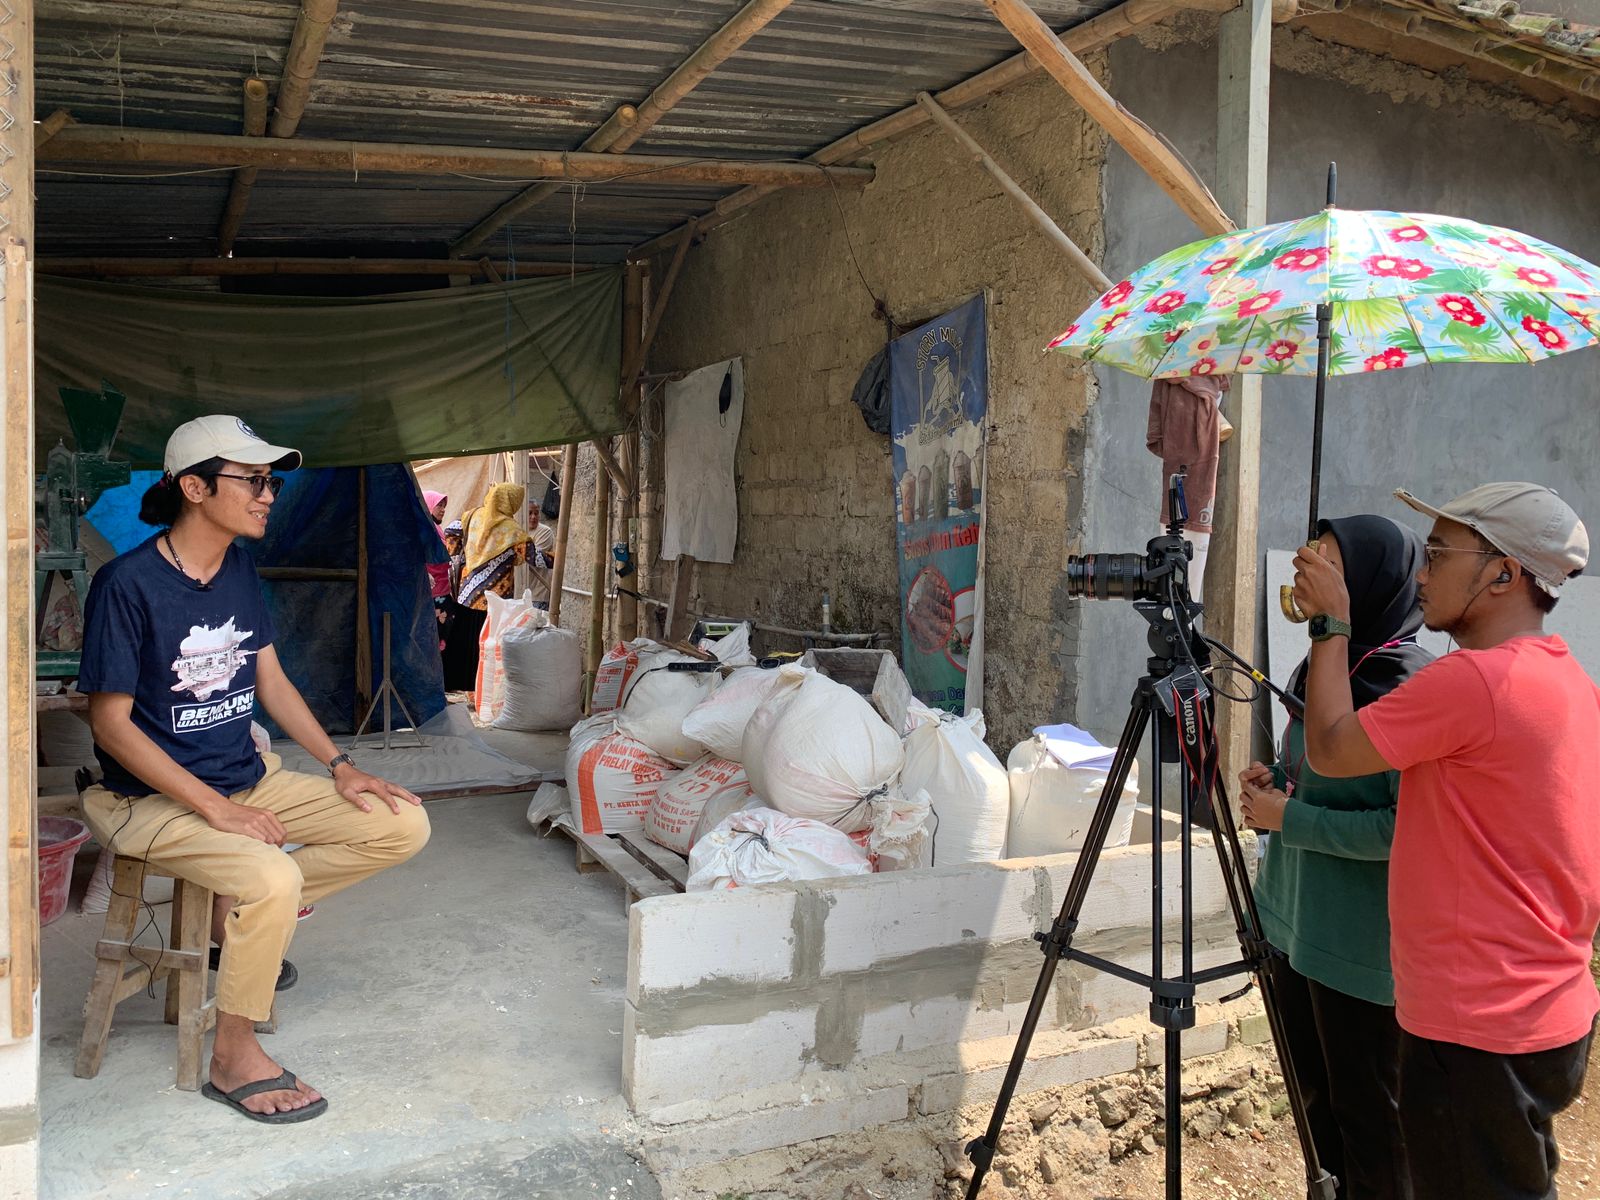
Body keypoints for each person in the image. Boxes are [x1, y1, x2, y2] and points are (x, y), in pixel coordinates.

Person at [78, 415, 431, 1124]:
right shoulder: (127, 585)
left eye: (271, 481)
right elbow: (109, 727)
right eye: (253, 480)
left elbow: (269, 681)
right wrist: (217, 810)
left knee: (402, 824)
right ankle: (233, 1055)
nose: (269, 495)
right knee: (273, 875)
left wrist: (340, 766)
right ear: (194, 487)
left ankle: (233, 921)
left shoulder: (238, 566)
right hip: (150, 800)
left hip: (244, 773)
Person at [1291, 482, 1599, 1200]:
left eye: (1437, 554)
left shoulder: (1473, 682)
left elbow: (1332, 750)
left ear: (1503, 573)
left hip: (1477, 1026)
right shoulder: (1565, 677)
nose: (1420, 575)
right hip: (1547, 1008)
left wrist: (1332, 624)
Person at [1238, 515, 1431, 1200]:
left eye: (1330, 567)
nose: (1309, 579)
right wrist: (1278, 784)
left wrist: (1291, 816)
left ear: (1374, 583)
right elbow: (1317, 775)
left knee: (1372, 1127)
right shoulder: (1322, 667)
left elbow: (1402, 829)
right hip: (1294, 924)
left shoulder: (1412, 689)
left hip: (1358, 947)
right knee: (1315, 1109)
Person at [439, 482, 530, 691]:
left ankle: (454, 686)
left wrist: (456, 552)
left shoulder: (472, 516)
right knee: (484, 646)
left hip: (466, 594)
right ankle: (480, 691)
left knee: (462, 643)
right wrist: (560, 558)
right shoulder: (511, 529)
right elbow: (534, 557)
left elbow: (451, 529)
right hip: (494, 601)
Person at [524, 500, 558, 611]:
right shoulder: (521, 531)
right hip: (525, 592)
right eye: (530, 513)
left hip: (539, 593)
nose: (533, 517)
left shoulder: (544, 532)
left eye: (536, 513)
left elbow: (532, 557)